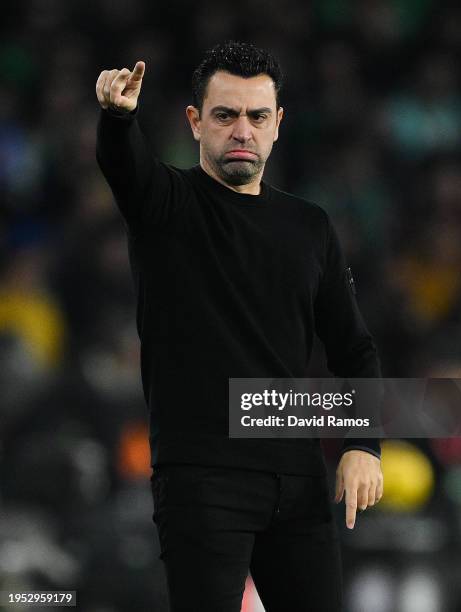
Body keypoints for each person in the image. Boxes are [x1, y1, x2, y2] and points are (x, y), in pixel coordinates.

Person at [95, 41, 383, 612]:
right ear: (195, 122)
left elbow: (355, 349)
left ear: (278, 124)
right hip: (201, 480)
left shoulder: (309, 226)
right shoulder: (165, 204)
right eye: (225, 115)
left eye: (256, 116)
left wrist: (363, 444)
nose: (242, 130)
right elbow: (125, 166)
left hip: (297, 476)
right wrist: (117, 118)